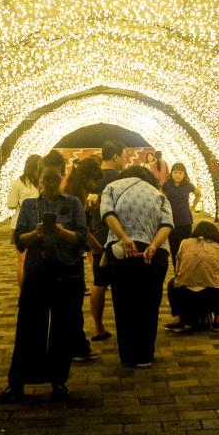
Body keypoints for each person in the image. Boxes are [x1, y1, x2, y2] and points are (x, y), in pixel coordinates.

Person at [0, 150, 88, 403]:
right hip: (37, 271)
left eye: (55, 178)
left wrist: (61, 232)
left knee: (63, 329)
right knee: (28, 327)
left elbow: (81, 237)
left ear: (62, 177)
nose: (50, 183)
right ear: (38, 177)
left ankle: (58, 380)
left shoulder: (72, 203)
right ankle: (18, 382)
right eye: (46, 178)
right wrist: (36, 233)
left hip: (66, 274)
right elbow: (19, 241)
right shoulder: (29, 206)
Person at [101, 165, 174, 368]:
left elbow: (107, 214)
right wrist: (153, 245)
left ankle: (127, 355)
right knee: (149, 304)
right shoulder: (158, 194)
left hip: (122, 253)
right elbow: (167, 224)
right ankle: (145, 355)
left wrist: (125, 238)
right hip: (153, 254)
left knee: (123, 305)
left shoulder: (112, 187)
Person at [61, 156, 105, 362]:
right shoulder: (75, 196)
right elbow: (81, 229)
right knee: (73, 302)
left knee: (71, 303)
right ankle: (77, 347)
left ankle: (73, 345)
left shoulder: (71, 191)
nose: (94, 185)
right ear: (86, 177)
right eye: (93, 181)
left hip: (69, 254)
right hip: (70, 255)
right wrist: (98, 247)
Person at [164, 221, 219, 331]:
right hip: (212, 295)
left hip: (184, 295)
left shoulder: (184, 243)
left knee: (172, 283)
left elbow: (177, 272)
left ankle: (178, 319)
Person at [89, 139, 125, 342]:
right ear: (115, 156)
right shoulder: (120, 179)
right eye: (123, 156)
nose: (124, 161)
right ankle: (125, 327)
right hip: (120, 237)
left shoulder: (93, 180)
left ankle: (98, 327)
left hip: (98, 238)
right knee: (123, 285)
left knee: (99, 283)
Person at [6, 154, 41, 284]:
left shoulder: (18, 183)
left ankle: (23, 293)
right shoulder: (42, 183)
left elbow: (11, 204)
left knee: (21, 261)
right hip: (39, 224)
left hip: (19, 224)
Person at [161, 162, 202, 269]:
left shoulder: (187, 185)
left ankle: (186, 270)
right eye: (175, 172)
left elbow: (198, 193)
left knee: (186, 248)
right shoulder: (167, 184)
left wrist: (192, 207)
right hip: (171, 220)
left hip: (185, 220)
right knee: (174, 248)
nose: (177, 175)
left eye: (180, 173)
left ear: (184, 174)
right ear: (171, 173)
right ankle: (177, 271)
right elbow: (161, 195)